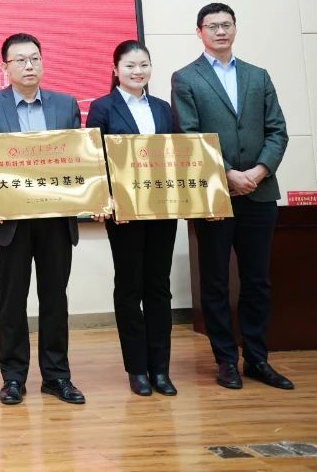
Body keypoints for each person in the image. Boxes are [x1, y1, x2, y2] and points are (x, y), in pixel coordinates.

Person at [172, 2, 291, 391]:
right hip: (213, 195)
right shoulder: (185, 78)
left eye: (226, 24)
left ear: (235, 28)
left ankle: (257, 358)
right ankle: (225, 360)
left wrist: (258, 171)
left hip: (259, 192)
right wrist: (227, 173)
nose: (220, 31)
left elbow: (277, 131)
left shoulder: (258, 75)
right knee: (216, 282)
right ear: (199, 32)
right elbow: (188, 135)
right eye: (212, 26)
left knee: (258, 281)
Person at [0, 33, 86, 406]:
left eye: (35, 58)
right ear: (6, 67)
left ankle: (57, 376)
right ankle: (14, 377)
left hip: (55, 219)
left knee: (55, 300)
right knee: (13, 301)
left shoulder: (65, 105)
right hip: (11, 222)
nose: (29, 65)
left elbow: (81, 157)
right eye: (20, 60)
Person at [85, 40, 178, 397]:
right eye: (130, 66)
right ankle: (137, 368)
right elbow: (94, 160)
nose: (138, 72)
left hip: (162, 209)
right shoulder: (102, 107)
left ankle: (161, 369)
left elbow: (177, 156)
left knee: (159, 287)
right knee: (129, 287)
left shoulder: (163, 108)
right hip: (123, 213)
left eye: (144, 65)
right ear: (115, 70)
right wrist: (106, 200)